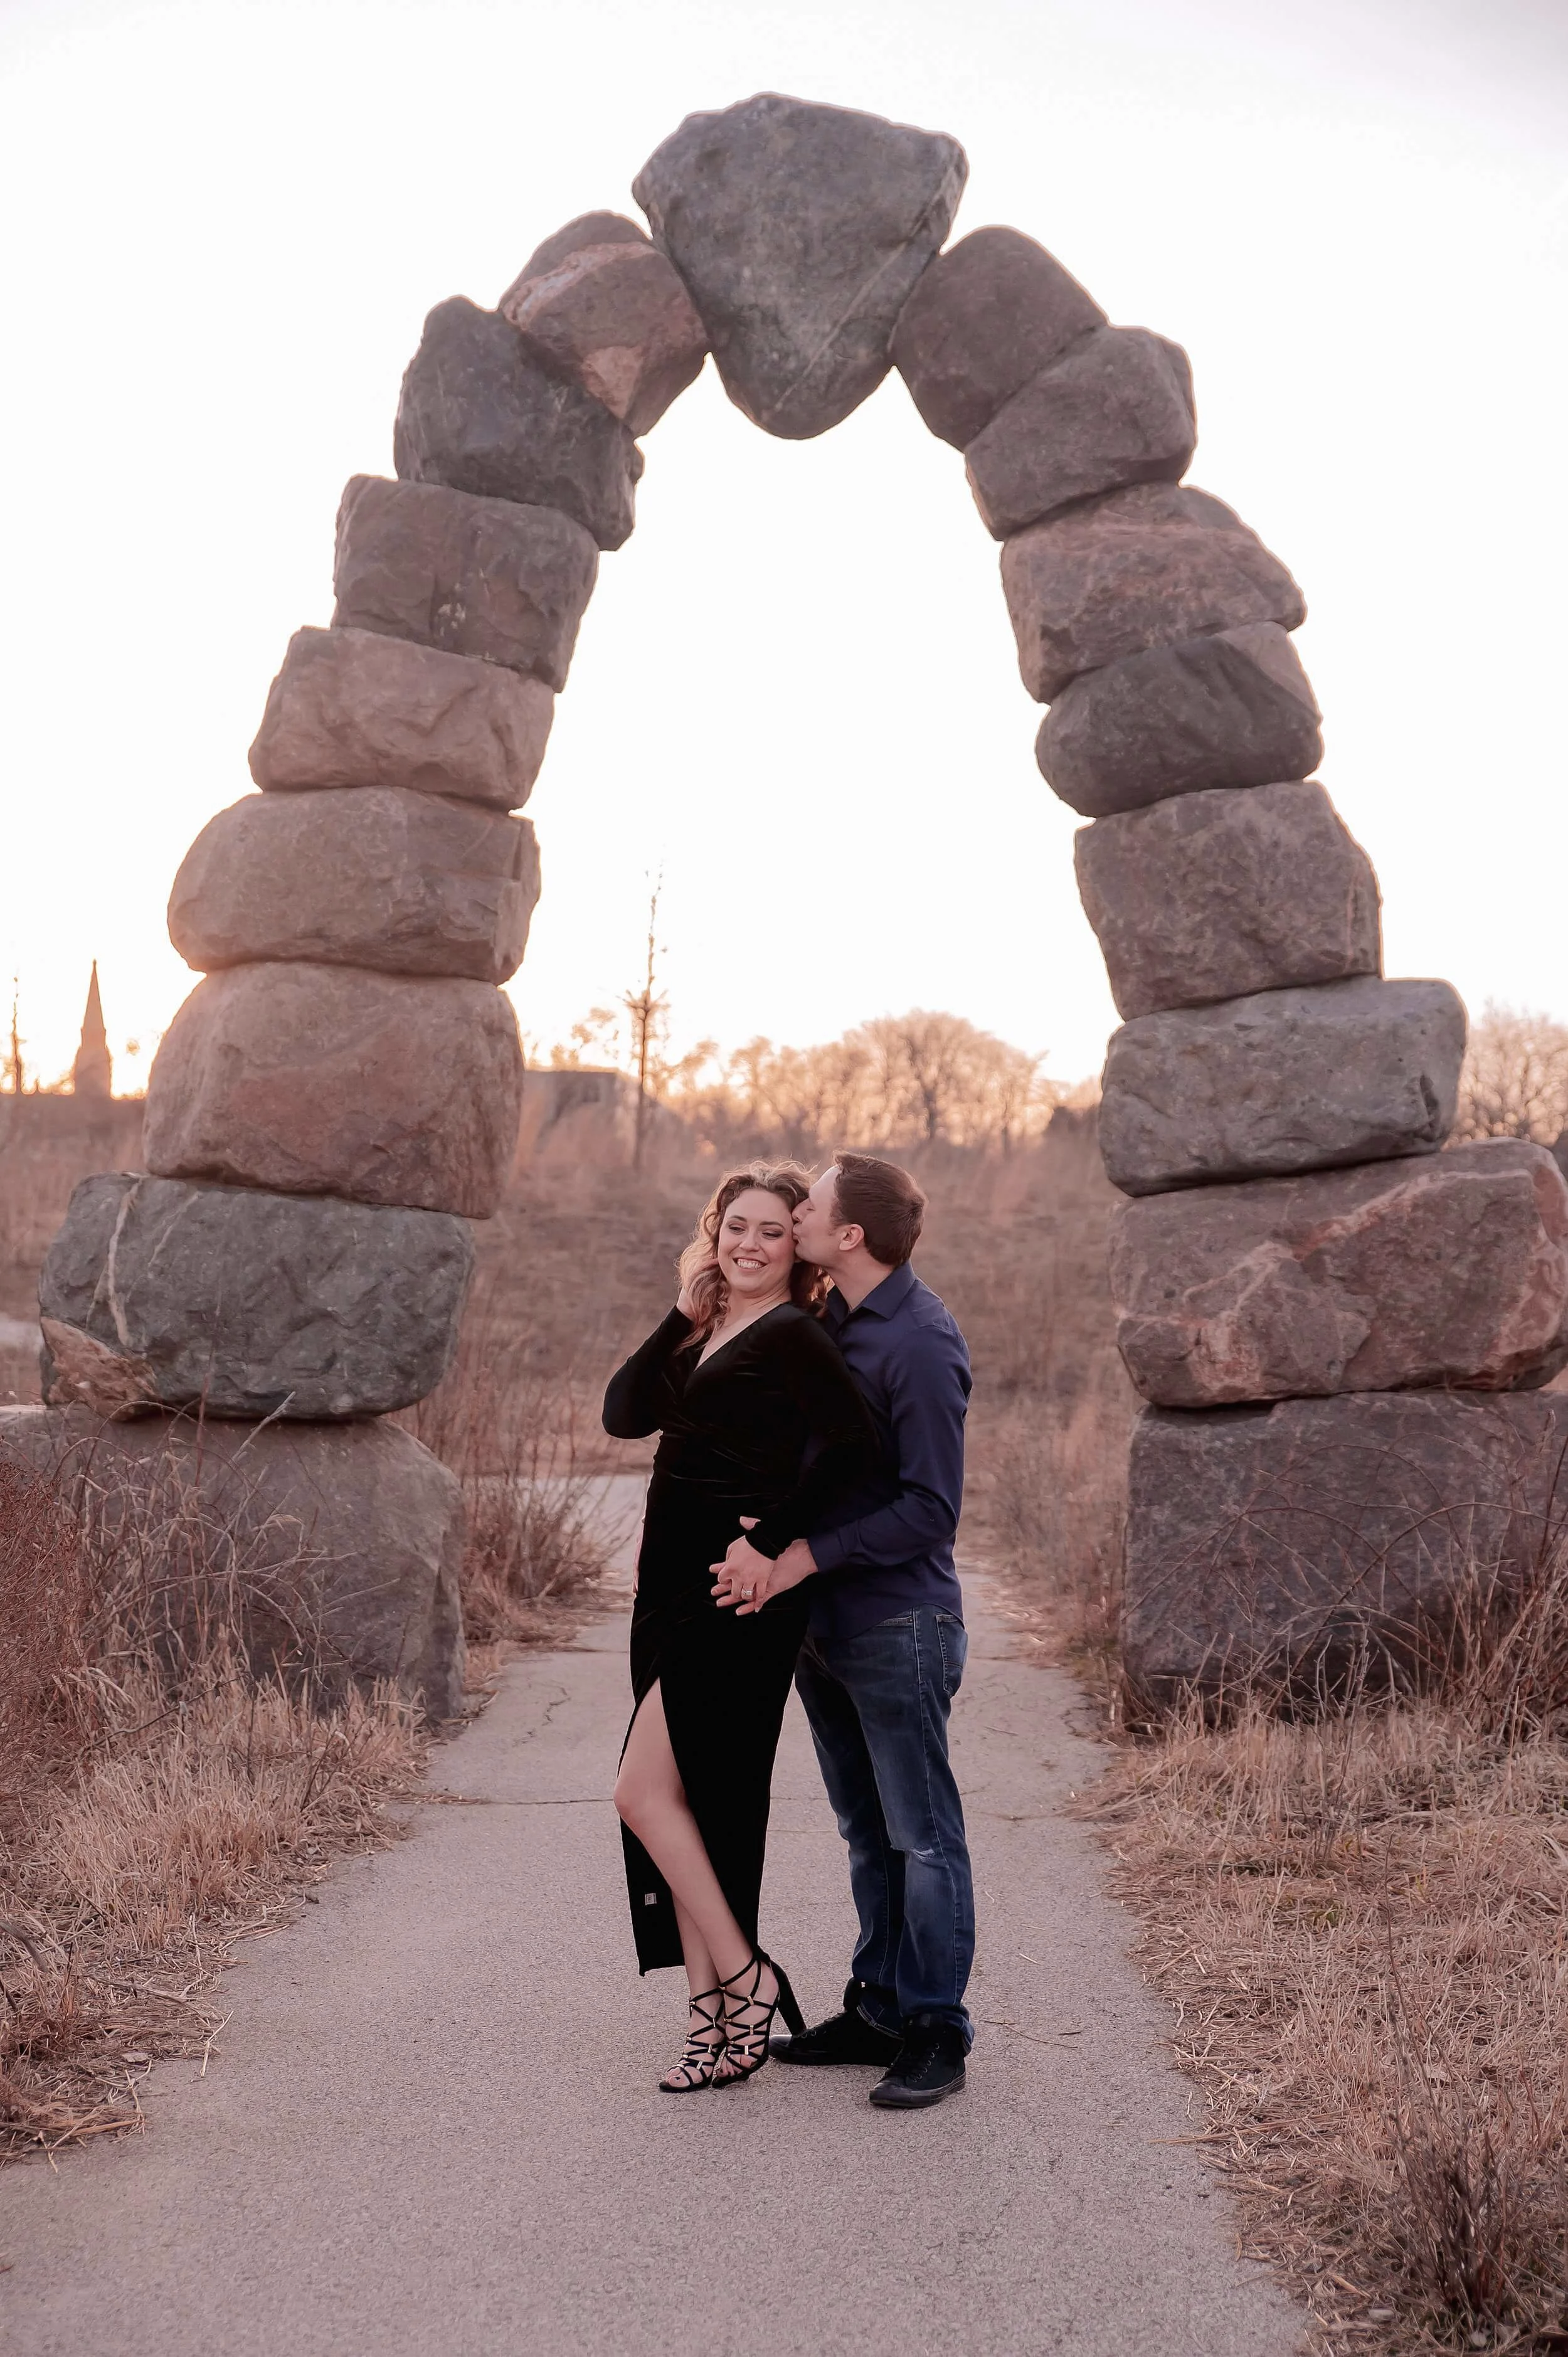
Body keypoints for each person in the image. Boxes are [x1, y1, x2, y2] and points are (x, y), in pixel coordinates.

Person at [603, 1163, 879, 2093]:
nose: (750, 1244)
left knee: (644, 1795)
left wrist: (767, 1537)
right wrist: (685, 1312)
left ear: (795, 1245)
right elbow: (624, 1412)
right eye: (736, 1226)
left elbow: (858, 1453)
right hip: (669, 1588)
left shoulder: (797, 1334)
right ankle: (712, 2016)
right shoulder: (712, 1326)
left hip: (735, 1592)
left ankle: (748, 1978)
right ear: (715, 1231)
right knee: (690, 1804)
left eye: (770, 1230)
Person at [711, 1152, 974, 2111]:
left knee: (924, 1836)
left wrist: (804, 1556)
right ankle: (877, 2008)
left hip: (899, 1622)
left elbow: (929, 1509)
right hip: (819, 1630)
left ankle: (938, 2027)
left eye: (810, 1206)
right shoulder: (828, 1323)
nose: (796, 1215)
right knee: (867, 1833)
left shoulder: (921, 1341)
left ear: (849, 1234)